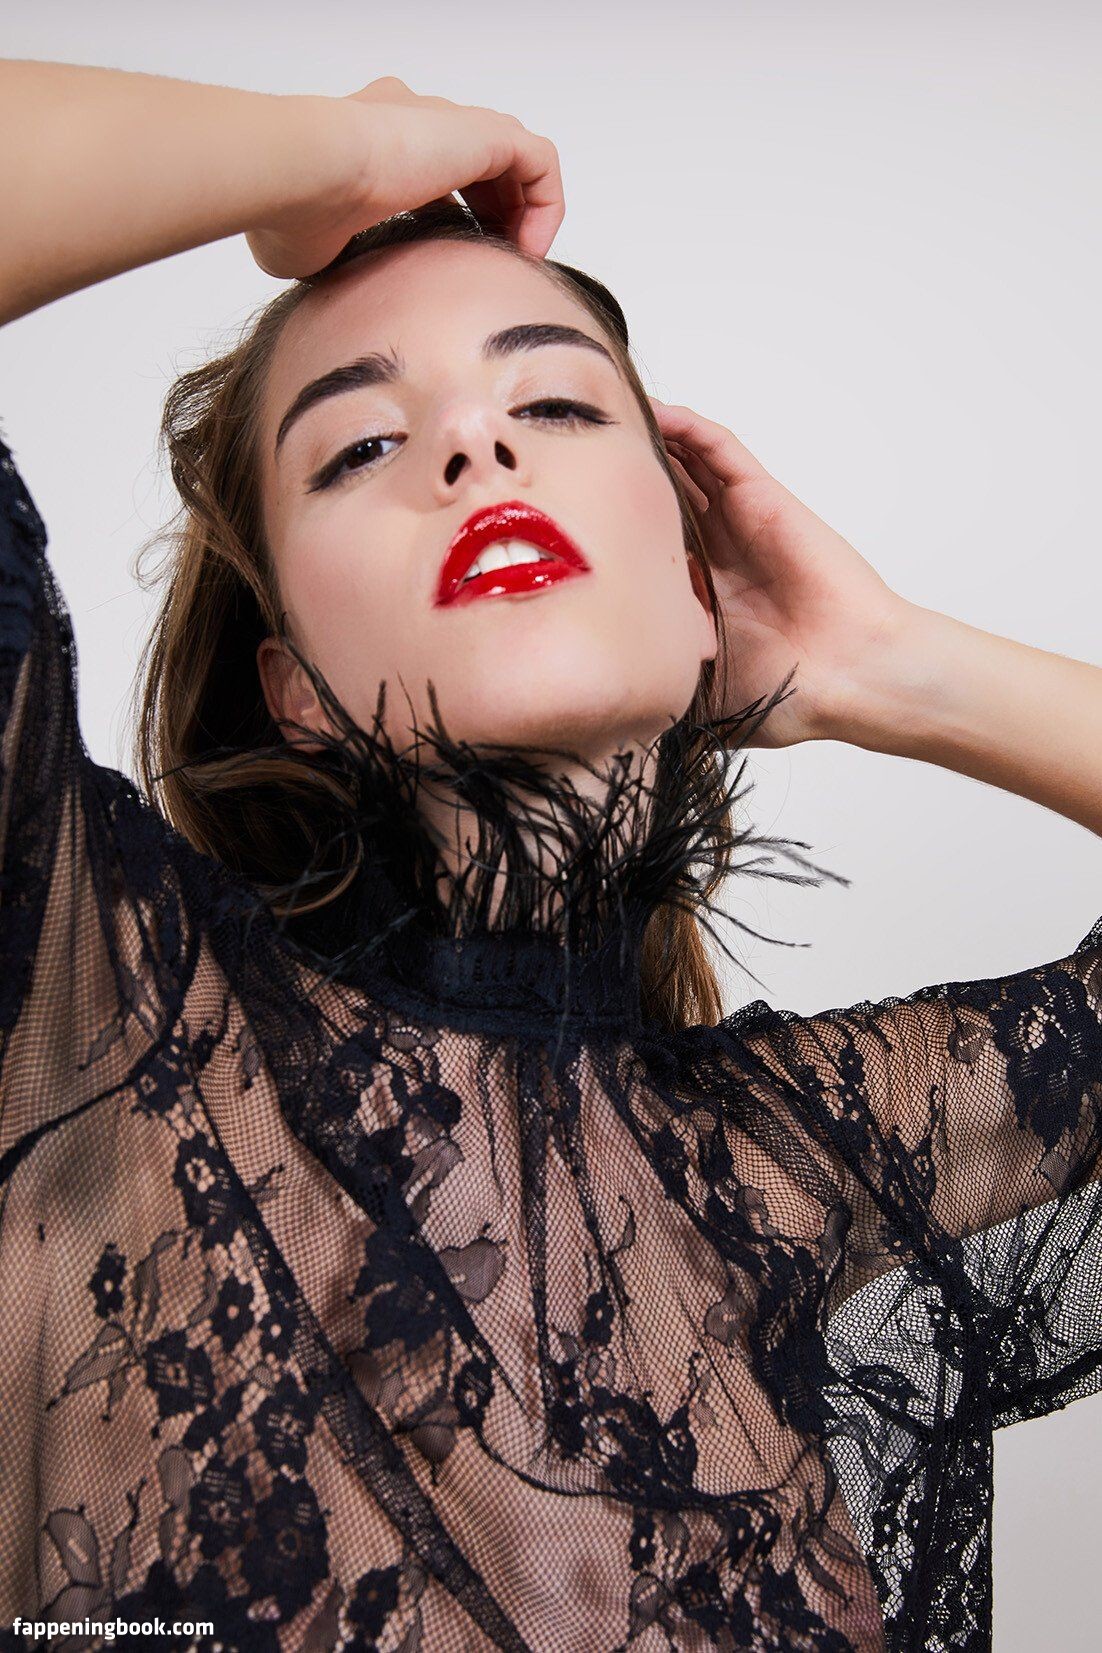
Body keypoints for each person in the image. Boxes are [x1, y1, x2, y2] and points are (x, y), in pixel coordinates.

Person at [0, 56, 1100, 1653]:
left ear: (696, 581)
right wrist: (344, 155)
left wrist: (889, 666)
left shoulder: (801, 1152)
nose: (475, 449)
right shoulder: (100, 1018)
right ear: (290, 681)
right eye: (361, 443)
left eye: (559, 405)